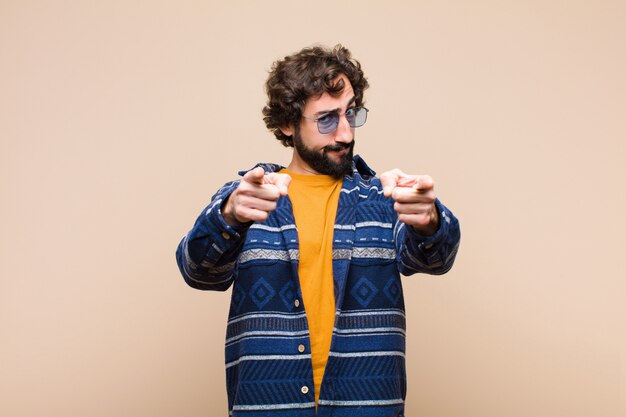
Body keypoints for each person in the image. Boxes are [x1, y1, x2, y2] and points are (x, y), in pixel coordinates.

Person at [176, 44, 460, 417]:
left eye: (351, 113)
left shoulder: (382, 196)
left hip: (366, 406)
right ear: (288, 124)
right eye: (327, 119)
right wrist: (228, 216)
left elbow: (435, 258)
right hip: (269, 407)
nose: (344, 132)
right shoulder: (248, 196)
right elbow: (198, 271)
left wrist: (431, 220)